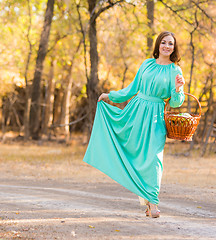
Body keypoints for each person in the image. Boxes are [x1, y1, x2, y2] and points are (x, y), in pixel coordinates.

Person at [83, 31, 185, 218]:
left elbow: (176, 102)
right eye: (164, 42)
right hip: (136, 112)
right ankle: (146, 201)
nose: (167, 46)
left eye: (171, 44)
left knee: (154, 159)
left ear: (174, 48)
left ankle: (153, 202)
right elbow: (132, 88)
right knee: (133, 154)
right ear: (158, 45)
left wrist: (178, 88)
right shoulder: (146, 64)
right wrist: (110, 96)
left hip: (156, 117)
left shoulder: (175, 71)